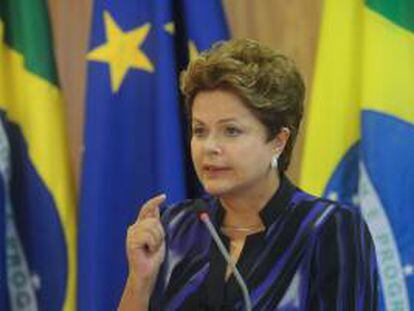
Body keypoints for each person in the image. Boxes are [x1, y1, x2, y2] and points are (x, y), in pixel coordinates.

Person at [118, 38, 378, 310]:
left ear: (278, 140)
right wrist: (140, 279)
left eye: (231, 131)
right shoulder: (175, 226)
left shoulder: (330, 229)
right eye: (200, 131)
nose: (210, 147)